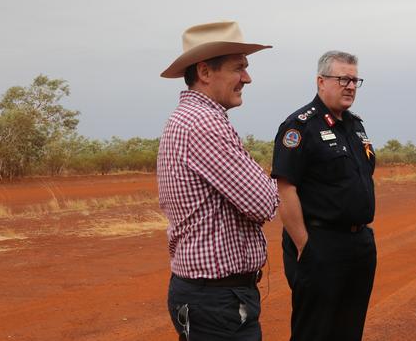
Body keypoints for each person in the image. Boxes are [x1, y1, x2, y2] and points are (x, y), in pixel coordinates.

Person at [157, 21, 279, 341]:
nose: (247, 78)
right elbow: (263, 203)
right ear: (205, 72)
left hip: (211, 296)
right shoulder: (204, 123)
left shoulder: (195, 119)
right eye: (239, 68)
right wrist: (270, 182)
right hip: (217, 300)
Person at [272, 51, 377, 341]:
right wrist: (305, 245)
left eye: (355, 80)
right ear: (321, 81)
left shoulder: (356, 126)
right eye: (343, 78)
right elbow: (286, 189)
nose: (351, 86)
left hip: (359, 244)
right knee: (315, 331)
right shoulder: (300, 126)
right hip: (321, 244)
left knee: (349, 329)